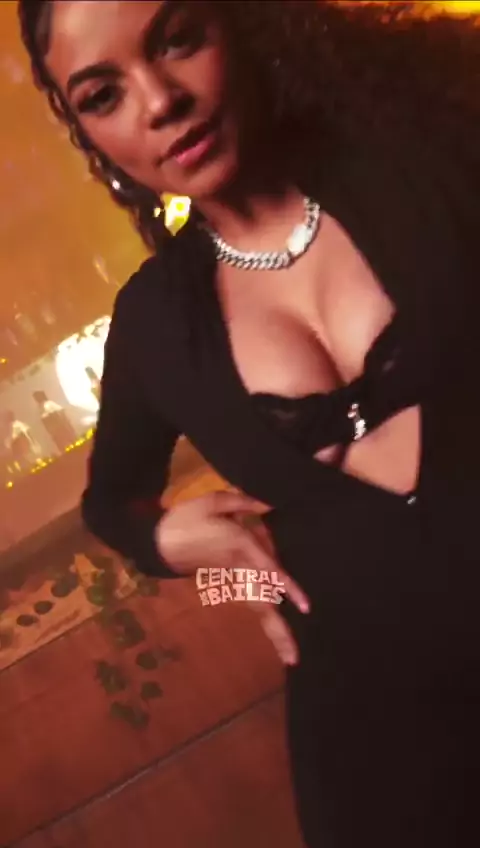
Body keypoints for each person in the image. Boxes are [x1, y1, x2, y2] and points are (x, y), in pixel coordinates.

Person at [18, 2, 480, 845]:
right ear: (92, 137)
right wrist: (198, 557)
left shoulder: (427, 138)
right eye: (103, 95)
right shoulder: (157, 326)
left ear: (239, 25)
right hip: (382, 765)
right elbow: (113, 508)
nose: (160, 100)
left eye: (177, 39)